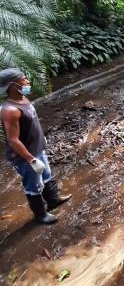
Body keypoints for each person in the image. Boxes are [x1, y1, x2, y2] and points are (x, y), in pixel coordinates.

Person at [0, 68, 71, 224]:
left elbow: (31, 123)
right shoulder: (10, 110)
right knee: (33, 185)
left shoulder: (23, 99)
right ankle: (40, 215)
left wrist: (41, 138)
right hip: (25, 156)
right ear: (12, 85)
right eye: (24, 80)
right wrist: (31, 160)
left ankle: (53, 199)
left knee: (46, 175)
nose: (28, 82)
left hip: (36, 148)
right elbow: (13, 140)